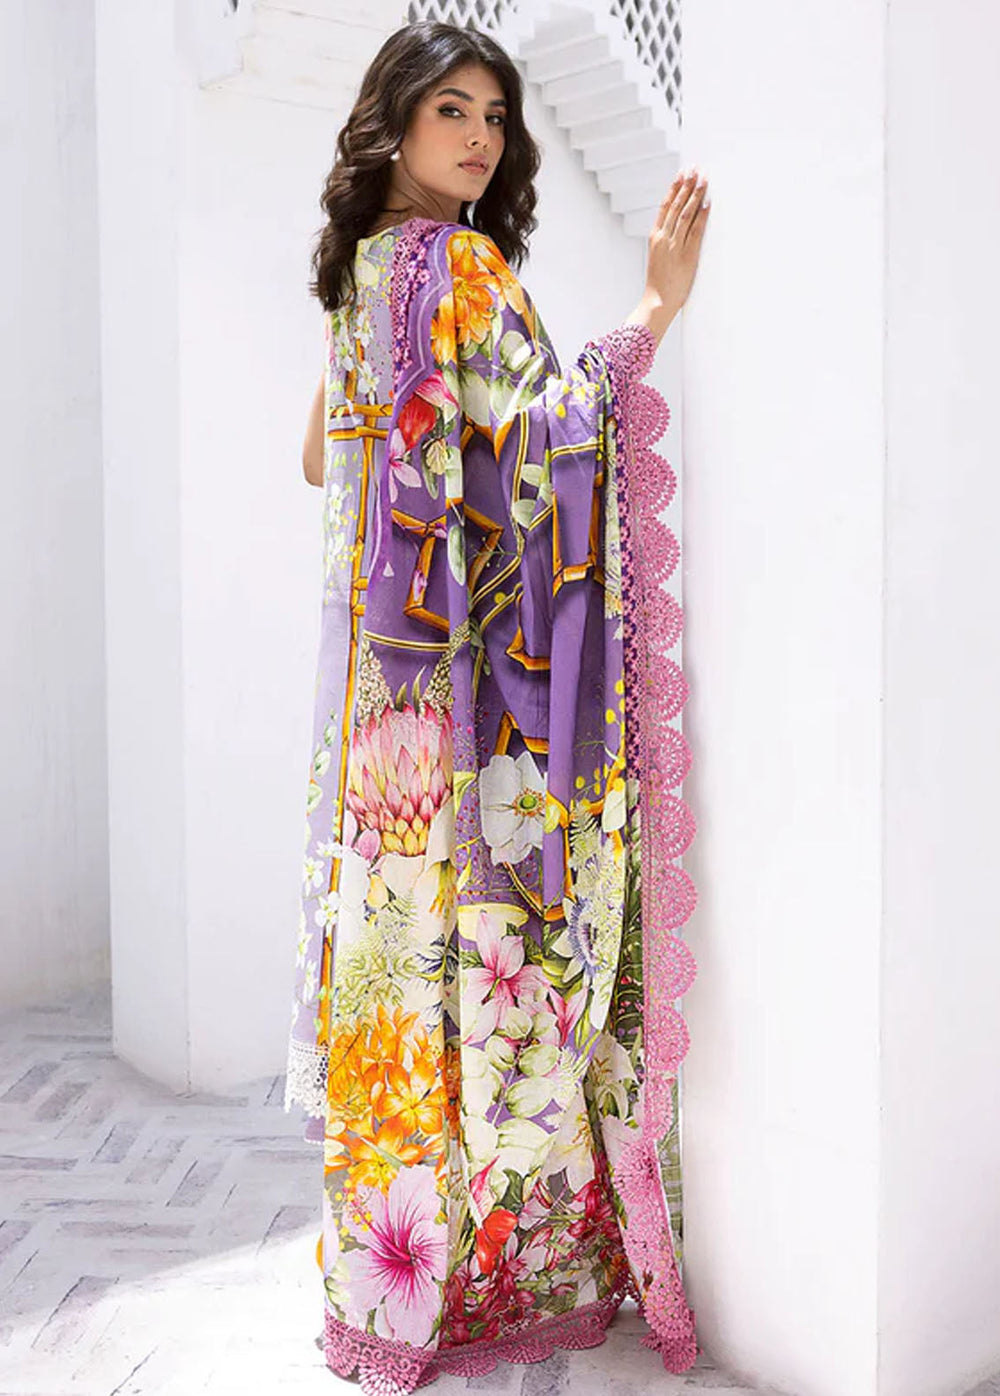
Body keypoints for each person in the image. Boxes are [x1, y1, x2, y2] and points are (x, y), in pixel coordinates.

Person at [283, 19, 710, 1395]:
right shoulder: (459, 270)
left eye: (494, 115)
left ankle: (390, 1285)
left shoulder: (363, 273)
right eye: (451, 110)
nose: (480, 137)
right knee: (492, 963)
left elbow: (321, 460)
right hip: (462, 719)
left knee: (397, 977)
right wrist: (653, 311)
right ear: (394, 123)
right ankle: (503, 1274)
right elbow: (548, 447)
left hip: (379, 722)